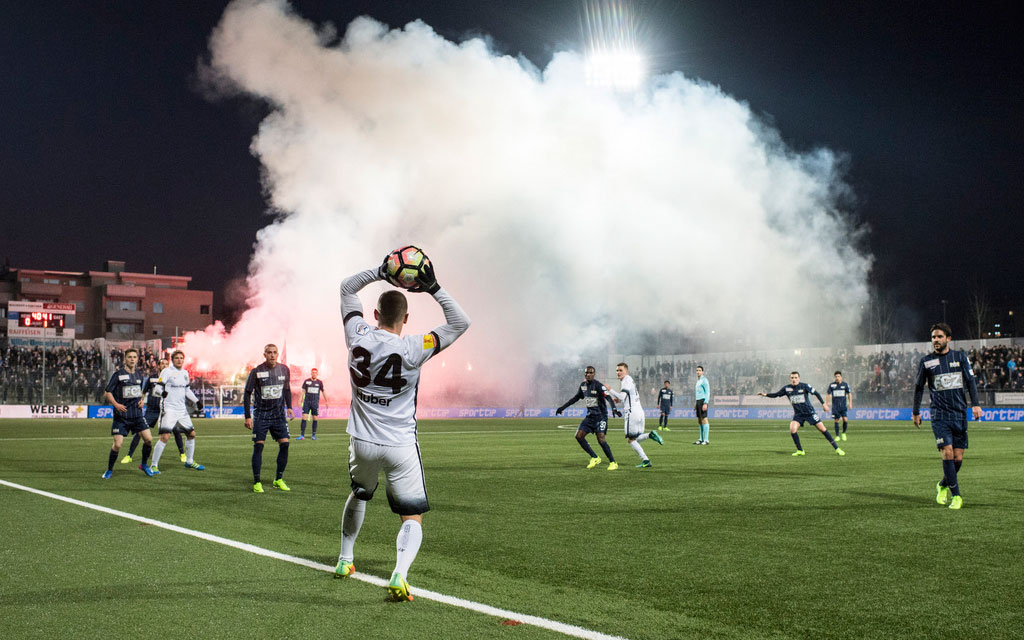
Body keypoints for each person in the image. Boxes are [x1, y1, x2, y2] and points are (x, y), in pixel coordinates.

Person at [334, 253, 470, 603]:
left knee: (361, 492)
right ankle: (399, 573)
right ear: (406, 319)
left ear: (375, 315)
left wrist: (381, 273)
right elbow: (460, 323)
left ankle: (345, 560)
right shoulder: (415, 346)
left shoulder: (358, 334)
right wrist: (433, 287)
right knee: (411, 514)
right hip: (399, 444)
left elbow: (347, 288)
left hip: (361, 440)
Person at [912, 323, 982, 510]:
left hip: (959, 414)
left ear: (948, 339)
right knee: (947, 452)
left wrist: (975, 404)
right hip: (939, 415)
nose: (936, 340)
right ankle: (956, 495)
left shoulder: (960, 357)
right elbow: (919, 387)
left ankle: (943, 484)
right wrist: (916, 411)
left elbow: (970, 382)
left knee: (958, 459)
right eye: (933, 337)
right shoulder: (926, 362)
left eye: (939, 337)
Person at [244, 344, 294, 493]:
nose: (272, 355)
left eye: (274, 353)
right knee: (259, 446)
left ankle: (278, 479)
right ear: (264, 354)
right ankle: (257, 481)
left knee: (285, 445)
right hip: (261, 415)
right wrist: (247, 416)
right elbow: (247, 393)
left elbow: (286, 389)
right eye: (269, 353)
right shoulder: (256, 371)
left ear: (277, 354)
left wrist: (289, 406)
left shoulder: (284, 369)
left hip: (278, 415)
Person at [760, 372, 845, 457]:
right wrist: (766, 395)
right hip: (798, 415)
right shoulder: (787, 389)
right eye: (792, 378)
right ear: (790, 379)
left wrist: (823, 404)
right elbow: (776, 394)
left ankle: (837, 449)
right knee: (792, 429)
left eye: (796, 377)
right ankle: (800, 450)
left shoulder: (805, 386)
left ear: (799, 378)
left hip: (809, 413)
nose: (794, 379)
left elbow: (816, 393)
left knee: (823, 430)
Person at [101, 348, 155, 478]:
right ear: (125, 359)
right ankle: (109, 470)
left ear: (137, 359)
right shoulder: (118, 374)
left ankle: (144, 465)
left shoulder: (139, 375)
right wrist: (116, 405)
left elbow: (139, 393)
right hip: (122, 416)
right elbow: (108, 392)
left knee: (148, 440)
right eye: (129, 357)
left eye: (134, 357)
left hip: (137, 415)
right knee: (117, 445)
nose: (132, 359)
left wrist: (142, 401)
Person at [121, 357, 186, 465]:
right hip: (152, 410)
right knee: (139, 432)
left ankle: (182, 454)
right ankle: (129, 455)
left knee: (176, 430)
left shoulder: (172, 379)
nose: (164, 365)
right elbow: (144, 392)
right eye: (162, 364)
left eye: (166, 364)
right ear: (158, 366)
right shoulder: (152, 378)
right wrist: (140, 401)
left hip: (167, 410)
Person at [556, 366, 620, 470]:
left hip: (601, 417)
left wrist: (614, 409)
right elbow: (576, 398)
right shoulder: (583, 386)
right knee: (578, 436)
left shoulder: (599, 386)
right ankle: (595, 457)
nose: (588, 374)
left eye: (590, 373)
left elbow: (608, 397)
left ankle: (613, 462)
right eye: (586, 373)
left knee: (601, 440)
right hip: (590, 417)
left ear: (594, 374)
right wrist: (562, 407)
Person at [150, 350, 204, 473]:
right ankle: (153, 465)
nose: (179, 360)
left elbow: (186, 390)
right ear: (172, 360)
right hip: (168, 408)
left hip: (181, 410)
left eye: (181, 358)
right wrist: (162, 393)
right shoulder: (167, 371)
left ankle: (189, 462)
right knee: (165, 436)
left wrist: (197, 401)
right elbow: (157, 388)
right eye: (177, 358)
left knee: (191, 434)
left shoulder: (185, 373)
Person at [606, 363, 663, 467]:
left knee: (631, 439)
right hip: (639, 412)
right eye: (617, 370)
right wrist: (619, 400)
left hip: (632, 413)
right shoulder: (629, 380)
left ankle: (645, 460)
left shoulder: (626, 381)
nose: (618, 372)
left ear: (626, 371)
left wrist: (610, 389)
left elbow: (622, 396)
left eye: (620, 370)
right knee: (635, 437)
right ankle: (650, 435)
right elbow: (627, 396)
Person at [297, 368, 328, 440]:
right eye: (313, 372)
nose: (314, 374)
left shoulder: (320, 382)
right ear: (311, 373)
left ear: (317, 374)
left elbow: (323, 392)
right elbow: (303, 391)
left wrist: (326, 401)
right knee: (304, 417)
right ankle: (302, 435)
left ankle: (313, 435)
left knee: (315, 418)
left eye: (315, 372)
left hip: (315, 403)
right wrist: (300, 400)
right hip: (307, 403)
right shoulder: (306, 381)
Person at [827, 371, 852, 441]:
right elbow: (828, 394)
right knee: (836, 420)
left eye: (838, 376)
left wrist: (850, 403)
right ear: (834, 377)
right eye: (836, 377)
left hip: (843, 406)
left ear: (841, 377)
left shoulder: (845, 385)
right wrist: (827, 403)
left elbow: (849, 394)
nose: (837, 378)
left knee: (845, 419)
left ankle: (843, 433)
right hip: (835, 407)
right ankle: (837, 435)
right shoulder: (832, 385)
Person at [694, 365, 711, 445]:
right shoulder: (698, 381)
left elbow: (707, 392)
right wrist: (696, 403)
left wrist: (705, 403)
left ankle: (706, 440)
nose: (698, 372)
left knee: (704, 419)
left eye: (699, 370)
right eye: (697, 370)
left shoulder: (704, 380)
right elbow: (698, 393)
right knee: (699, 420)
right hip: (698, 401)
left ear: (702, 372)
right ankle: (701, 439)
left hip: (703, 401)